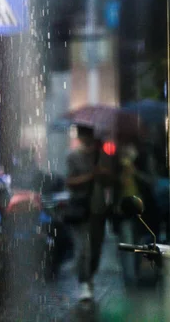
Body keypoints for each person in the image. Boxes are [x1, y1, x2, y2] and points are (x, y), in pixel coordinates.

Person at [65, 124, 109, 302]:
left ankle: (89, 276)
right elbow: (70, 181)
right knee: (84, 248)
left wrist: (104, 173)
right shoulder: (73, 156)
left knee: (96, 248)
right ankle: (84, 281)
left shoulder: (101, 155)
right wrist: (91, 175)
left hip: (99, 208)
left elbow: (110, 179)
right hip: (81, 207)